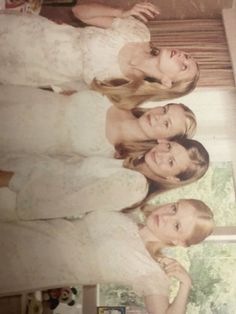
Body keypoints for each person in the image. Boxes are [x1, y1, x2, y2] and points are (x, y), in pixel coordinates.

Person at [0, 199, 214, 314]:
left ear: (179, 242)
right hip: (16, 229)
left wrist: (186, 284)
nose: (166, 216)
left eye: (177, 225)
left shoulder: (150, 271)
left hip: (18, 268)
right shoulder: (130, 212)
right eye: (174, 207)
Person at [0, 2, 199, 106]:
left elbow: (69, 98)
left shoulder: (126, 90)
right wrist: (121, 12)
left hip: (27, 71)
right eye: (187, 56)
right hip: (26, 32)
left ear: (166, 82)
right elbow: (79, 12)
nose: (182, 56)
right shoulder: (139, 32)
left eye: (183, 66)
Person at [0, 138, 209, 220]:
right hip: (22, 169)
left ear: (172, 179)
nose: (162, 154)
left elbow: (66, 200)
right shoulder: (133, 162)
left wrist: (10, 179)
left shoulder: (133, 186)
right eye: (169, 147)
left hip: (15, 189)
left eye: (171, 162)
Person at [0, 85, 196, 157]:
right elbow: (66, 89)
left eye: (167, 124)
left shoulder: (118, 155)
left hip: (17, 139)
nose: (158, 116)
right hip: (19, 99)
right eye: (164, 109)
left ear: (164, 141)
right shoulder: (123, 98)